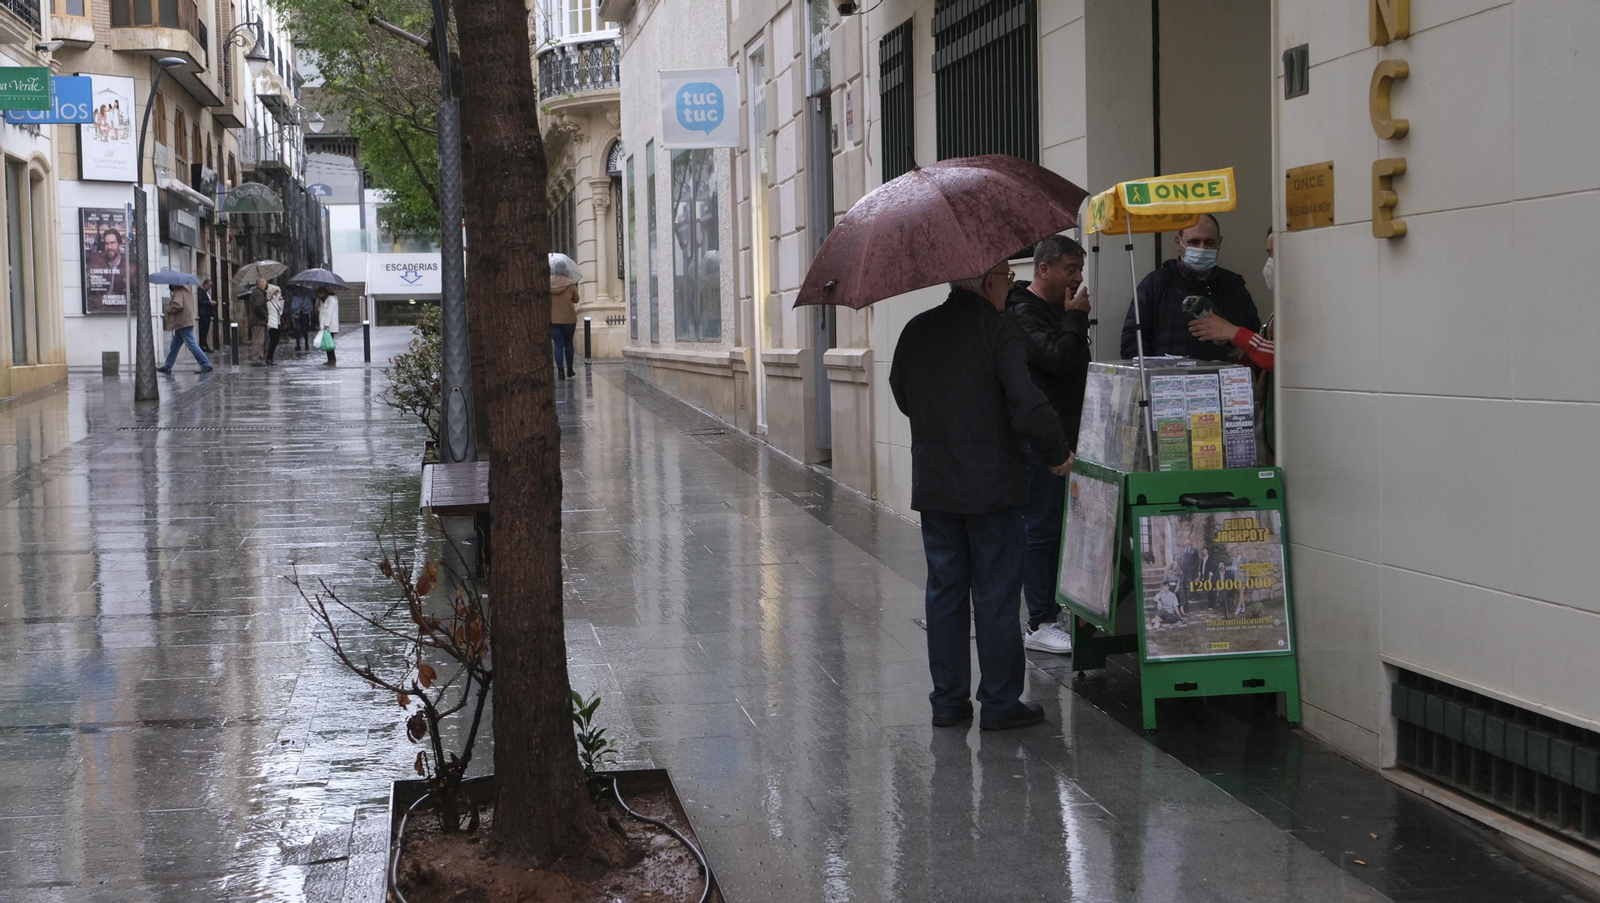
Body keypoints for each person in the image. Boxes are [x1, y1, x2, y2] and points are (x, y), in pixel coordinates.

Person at [889, 258, 1073, 732]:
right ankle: (998, 702)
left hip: (936, 483)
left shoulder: (917, 329)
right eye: (1008, 279)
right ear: (989, 281)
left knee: (945, 591)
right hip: (993, 486)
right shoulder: (999, 329)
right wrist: (1055, 451)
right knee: (995, 593)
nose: (1010, 287)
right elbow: (1026, 402)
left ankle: (947, 703)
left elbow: (901, 392)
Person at [1004, 234, 1091, 656]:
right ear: (1044, 269)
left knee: (1064, 525)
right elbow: (1055, 359)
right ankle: (1039, 620)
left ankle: (1059, 608)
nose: (1078, 278)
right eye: (1070, 269)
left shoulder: (1061, 311)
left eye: (1080, 269)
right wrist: (1075, 320)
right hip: (1041, 437)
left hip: (1072, 430)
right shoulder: (1022, 312)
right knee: (1040, 526)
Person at [1120, 213, 1261, 362]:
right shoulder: (1155, 284)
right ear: (1178, 243)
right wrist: (1153, 375)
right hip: (1167, 381)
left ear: (1219, 243)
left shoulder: (1233, 286)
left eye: (1209, 242)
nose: (1202, 248)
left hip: (1223, 380)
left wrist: (1236, 347)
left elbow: (1254, 337)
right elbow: (1132, 342)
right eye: (1194, 242)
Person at [1191, 227, 1277, 462]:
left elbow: (1284, 359)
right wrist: (1232, 345)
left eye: (1275, 254)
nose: (1269, 263)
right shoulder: (1278, 310)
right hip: (1270, 426)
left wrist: (1234, 332)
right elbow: (1262, 357)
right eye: (1268, 254)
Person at [156, 284, 212, 375]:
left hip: (182, 323)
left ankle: (206, 364)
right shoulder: (187, 291)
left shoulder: (178, 292)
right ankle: (167, 367)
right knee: (174, 345)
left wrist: (168, 308)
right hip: (185, 322)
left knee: (192, 345)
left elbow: (178, 305)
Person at [552, 278, 578, 379]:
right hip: (569, 319)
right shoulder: (570, 284)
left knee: (558, 345)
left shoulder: (548, 283)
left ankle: (560, 371)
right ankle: (570, 369)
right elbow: (576, 299)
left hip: (554, 319)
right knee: (568, 343)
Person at [246, 277, 270, 365]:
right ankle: (257, 359)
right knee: (259, 340)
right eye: (264, 283)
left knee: (256, 340)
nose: (265, 284)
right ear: (260, 284)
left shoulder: (257, 293)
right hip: (258, 320)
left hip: (256, 320)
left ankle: (256, 358)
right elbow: (258, 306)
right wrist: (265, 314)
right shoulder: (259, 293)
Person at [264, 282, 286, 364]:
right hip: (271, 323)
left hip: (277, 322)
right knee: (274, 340)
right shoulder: (269, 302)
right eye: (276, 292)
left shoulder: (277, 300)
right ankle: (269, 358)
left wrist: (281, 302)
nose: (278, 294)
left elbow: (280, 311)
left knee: (275, 340)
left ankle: (270, 357)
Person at [317, 287, 339, 366]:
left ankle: (332, 359)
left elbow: (330, 312)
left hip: (330, 326)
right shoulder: (324, 300)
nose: (320, 296)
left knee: (329, 342)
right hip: (324, 326)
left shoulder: (332, 300)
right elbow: (323, 312)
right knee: (326, 342)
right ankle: (330, 359)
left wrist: (327, 324)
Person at [196, 278, 216, 352]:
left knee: (206, 330)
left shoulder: (208, 293)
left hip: (207, 313)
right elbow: (200, 301)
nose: (209, 288)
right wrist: (209, 302)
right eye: (208, 286)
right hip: (203, 314)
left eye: (210, 286)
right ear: (204, 285)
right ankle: (203, 345)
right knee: (203, 330)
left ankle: (205, 344)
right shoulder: (200, 291)